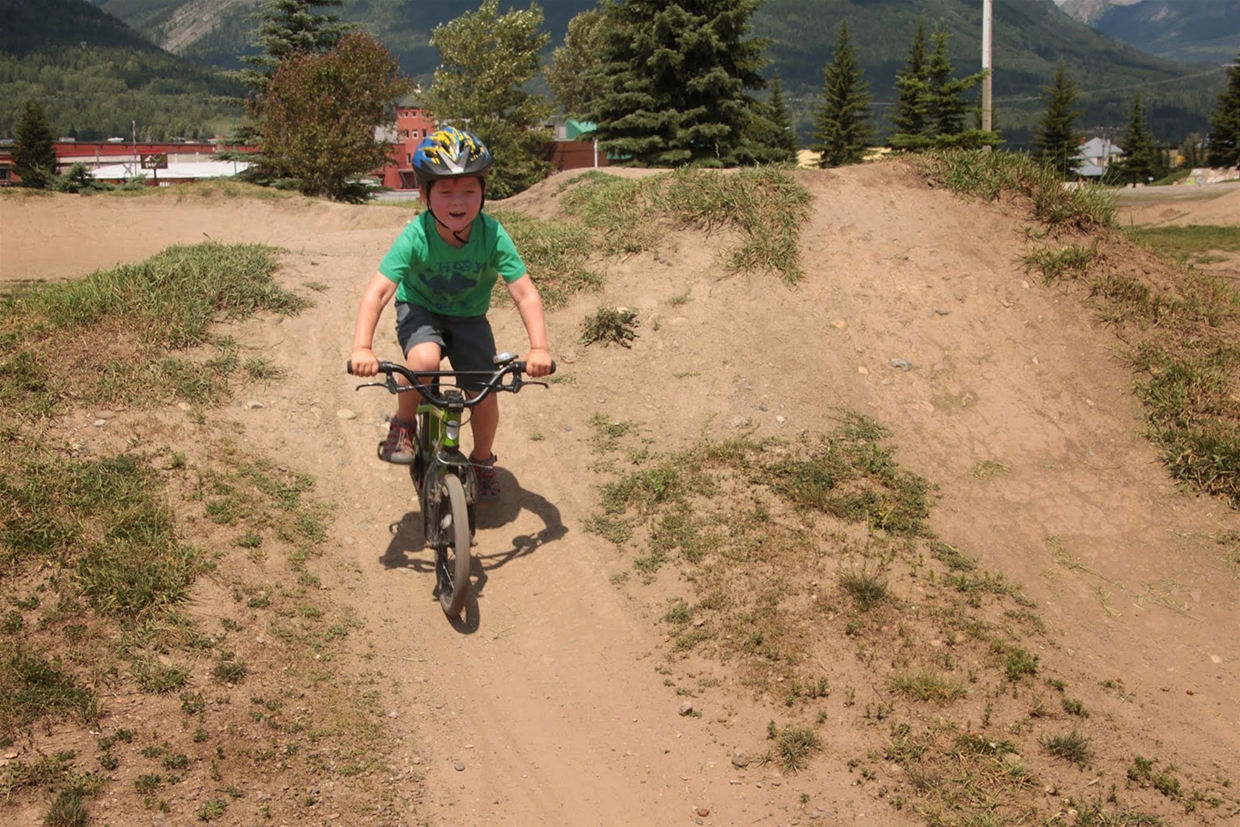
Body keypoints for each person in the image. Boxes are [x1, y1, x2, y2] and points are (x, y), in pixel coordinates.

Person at [350, 127, 553, 502]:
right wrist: (362, 347)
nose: (457, 201)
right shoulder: (416, 235)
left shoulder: (492, 235)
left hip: (469, 318)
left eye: (469, 191)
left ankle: (481, 461)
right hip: (420, 308)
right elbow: (378, 292)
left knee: (486, 395)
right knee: (423, 360)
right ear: (425, 194)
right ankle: (405, 424)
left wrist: (538, 348)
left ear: (483, 194)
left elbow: (524, 294)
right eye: (445, 191)